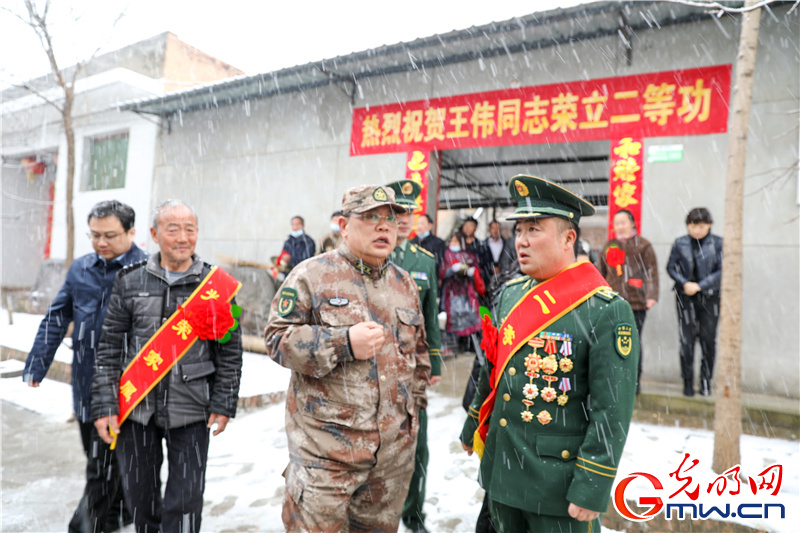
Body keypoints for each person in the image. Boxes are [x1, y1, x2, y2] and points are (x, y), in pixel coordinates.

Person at [460, 175, 639, 533]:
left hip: (557, 484)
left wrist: (593, 484)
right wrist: (473, 423)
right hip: (502, 469)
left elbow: (611, 410)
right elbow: (493, 367)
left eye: (535, 229)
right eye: (520, 229)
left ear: (568, 237)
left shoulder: (605, 309)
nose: (521, 240)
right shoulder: (510, 293)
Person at [264, 185, 431, 532]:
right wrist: (342, 343)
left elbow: (418, 354)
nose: (384, 227)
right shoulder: (312, 274)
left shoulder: (404, 284)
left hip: (390, 463)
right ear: (344, 225)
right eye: (371, 218)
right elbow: (277, 338)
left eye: (390, 219)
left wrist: (412, 417)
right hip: (326, 461)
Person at [91, 200, 243, 533]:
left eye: (190, 229)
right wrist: (104, 406)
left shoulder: (215, 287)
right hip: (136, 411)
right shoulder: (130, 281)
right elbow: (109, 348)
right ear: (154, 234)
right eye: (172, 229)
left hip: (192, 410)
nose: (182, 237)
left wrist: (224, 402)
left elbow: (230, 352)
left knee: (186, 503)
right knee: (140, 500)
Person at [22, 200, 145, 533]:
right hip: (89, 383)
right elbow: (59, 314)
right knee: (102, 462)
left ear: (131, 232)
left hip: (135, 384)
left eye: (109, 235)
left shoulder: (149, 270)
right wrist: (38, 361)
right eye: (94, 235)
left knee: (111, 466)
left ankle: (88, 526)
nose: (100, 243)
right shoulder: (81, 268)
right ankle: (118, 515)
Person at [386, 180, 442, 533]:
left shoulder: (425, 261)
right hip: (370, 367)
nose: (405, 219)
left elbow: (430, 314)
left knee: (417, 448)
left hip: (410, 371)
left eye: (409, 212)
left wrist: (434, 361)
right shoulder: (371, 255)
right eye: (397, 212)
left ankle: (414, 515)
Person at [598, 208, 658, 392]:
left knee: (633, 341)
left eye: (623, 222)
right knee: (611, 340)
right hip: (612, 301)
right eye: (617, 223)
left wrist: (651, 295)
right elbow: (601, 273)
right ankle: (615, 379)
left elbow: (652, 272)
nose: (620, 226)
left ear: (632, 223)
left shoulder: (643, 245)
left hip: (636, 302)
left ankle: (634, 382)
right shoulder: (610, 245)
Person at [667, 207, 723, 397]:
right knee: (686, 340)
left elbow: (722, 270)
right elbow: (671, 267)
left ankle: (706, 380)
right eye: (692, 225)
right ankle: (688, 381)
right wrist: (685, 283)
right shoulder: (680, 243)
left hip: (710, 297)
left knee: (708, 340)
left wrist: (700, 285)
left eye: (700, 225)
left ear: (708, 225)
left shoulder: (718, 244)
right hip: (685, 297)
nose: (696, 230)